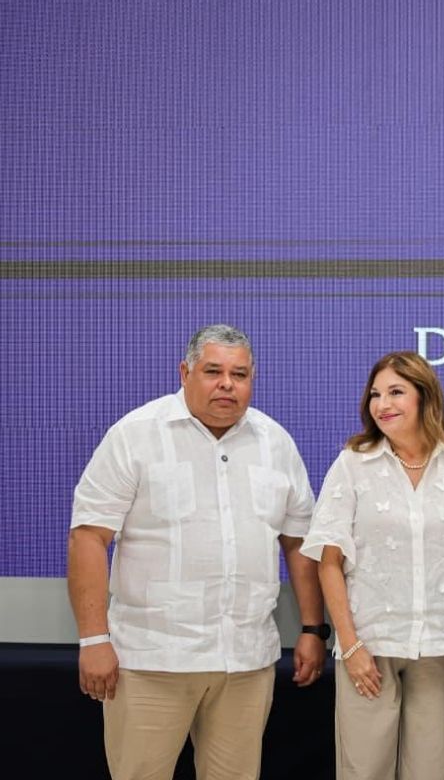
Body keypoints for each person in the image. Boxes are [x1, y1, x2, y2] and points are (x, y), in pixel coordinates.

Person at [67, 324, 327, 780]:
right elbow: (88, 537)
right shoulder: (135, 436)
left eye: (240, 374)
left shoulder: (276, 444)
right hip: (152, 660)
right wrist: (93, 639)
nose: (227, 383)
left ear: (252, 379)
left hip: (245, 662)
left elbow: (298, 542)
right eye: (213, 371)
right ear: (184, 372)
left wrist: (312, 627)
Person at [300, 351, 444, 780]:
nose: (383, 404)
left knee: (431, 772)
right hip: (369, 647)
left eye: (396, 392)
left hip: (439, 647)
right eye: (376, 394)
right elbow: (328, 564)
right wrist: (351, 646)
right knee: (364, 771)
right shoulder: (352, 464)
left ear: (424, 397)